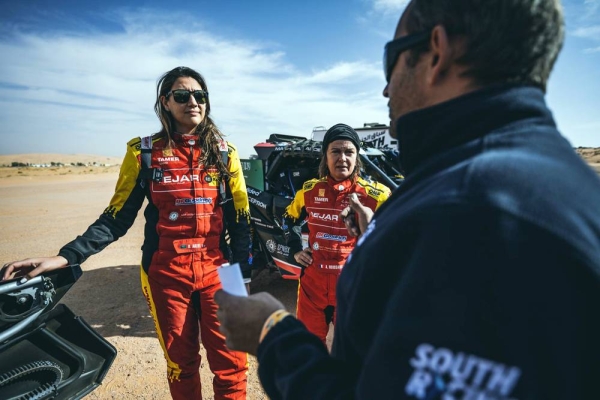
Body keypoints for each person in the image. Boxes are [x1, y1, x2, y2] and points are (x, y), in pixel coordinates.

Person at [214, 1, 600, 399]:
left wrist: (271, 336)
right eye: (334, 151)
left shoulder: (456, 209)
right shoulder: (573, 193)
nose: (385, 87)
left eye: (390, 60)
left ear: (437, 51)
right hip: (313, 289)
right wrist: (378, 237)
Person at [2, 66, 251, 400]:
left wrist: (242, 278)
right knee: (182, 364)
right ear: (165, 102)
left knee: (234, 365)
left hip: (223, 273)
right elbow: (115, 219)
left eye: (199, 95)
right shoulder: (143, 153)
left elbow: (241, 220)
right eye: (182, 95)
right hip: (166, 274)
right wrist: (65, 256)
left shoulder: (225, 153)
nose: (193, 101)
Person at [283, 123, 391, 344]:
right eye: (336, 151)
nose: (342, 157)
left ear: (357, 156)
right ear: (325, 156)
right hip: (312, 287)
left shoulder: (377, 195)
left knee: (353, 351)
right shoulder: (309, 190)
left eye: (349, 151)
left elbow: (400, 235)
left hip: (352, 286)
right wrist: (295, 249)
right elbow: (288, 220)